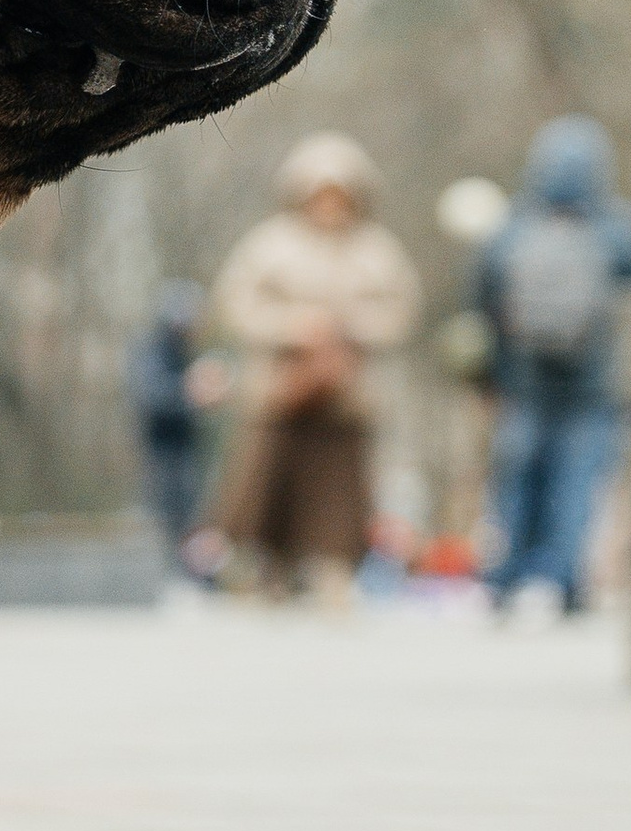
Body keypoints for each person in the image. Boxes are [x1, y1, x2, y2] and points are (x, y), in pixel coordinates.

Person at [211, 134, 421, 602]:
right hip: (280, 393)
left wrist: (350, 327)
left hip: (347, 397)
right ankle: (266, 569)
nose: (329, 206)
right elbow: (236, 305)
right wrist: (293, 327)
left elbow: (401, 311)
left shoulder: (375, 249)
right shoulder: (269, 245)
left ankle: (335, 572)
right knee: (268, 481)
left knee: (339, 490)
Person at [476, 116, 631, 615]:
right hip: (596, 385)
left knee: (515, 481)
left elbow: (485, 302)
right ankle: (564, 583)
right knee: (576, 485)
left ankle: (504, 578)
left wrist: (493, 376)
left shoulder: (510, 228)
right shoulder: (623, 229)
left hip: (524, 382)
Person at [128, 279, 224, 577]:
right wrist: (188, 391)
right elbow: (149, 396)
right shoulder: (152, 351)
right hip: (161, 449)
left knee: (190, 514)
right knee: (165, 516)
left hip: (186, 447)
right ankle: (166, 577)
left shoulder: (184, 353)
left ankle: (188, 576)